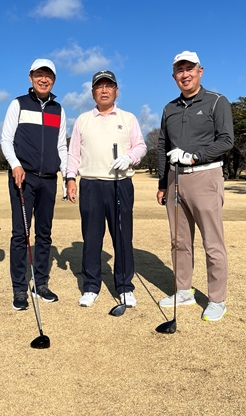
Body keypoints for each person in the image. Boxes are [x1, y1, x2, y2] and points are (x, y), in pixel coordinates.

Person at [156, 51, 234, 322]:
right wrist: (162, 183)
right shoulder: (169, 108)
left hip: (205, 176)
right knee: (179, 241)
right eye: (180, 70)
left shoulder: (217, 101)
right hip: (175, 180)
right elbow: (163, 146)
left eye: (190, 68)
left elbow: (226, 141)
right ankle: (183, 290)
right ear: (174, 76)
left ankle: (217, 299)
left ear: (200, 71)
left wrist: (194, 156)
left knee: (212, 242)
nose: (185, 74)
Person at [66, 70, 147, 308]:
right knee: (91, 238)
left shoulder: (128, 118)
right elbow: (74, 153)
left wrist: (129, 157)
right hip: (91, 184)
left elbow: (141, 146)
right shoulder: (82, 120)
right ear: (93, 92)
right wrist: (70, 179)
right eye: (99, 86)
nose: (104, 90)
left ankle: (125, 287)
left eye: (108, 86)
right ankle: (91, 286)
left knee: (122, 237)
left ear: (116, 91)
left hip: (120, 183)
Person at [1, 59, 68, 311]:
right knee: (21, 233)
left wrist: (68, 176)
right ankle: (19, 287)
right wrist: (15, 165)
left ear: (54, 80)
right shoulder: (18, 104)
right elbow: (6, 140)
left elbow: (61, 146)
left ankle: (40, 283)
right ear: (31, 77)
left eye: (48, 75)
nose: (43, 79)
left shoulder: (58, 109)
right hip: (23, 178)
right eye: (39, 74)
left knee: (44, 234)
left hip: (49, 179)